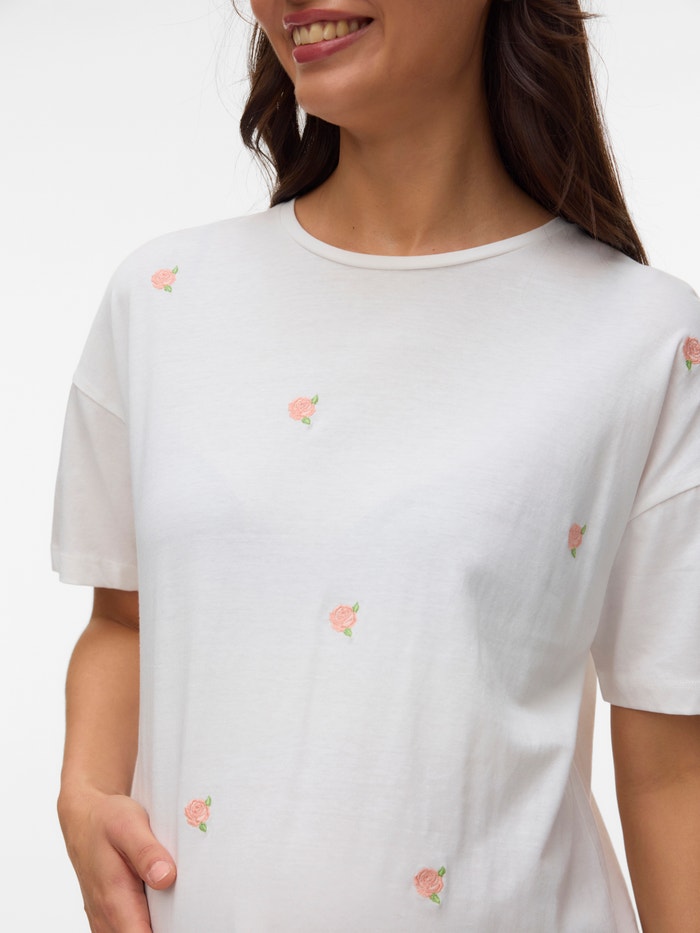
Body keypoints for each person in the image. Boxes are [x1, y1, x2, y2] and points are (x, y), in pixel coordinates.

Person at [52, 0, 700, 930]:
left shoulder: (643, 339)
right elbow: (125, 619)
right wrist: (85, 794)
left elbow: (674, 767)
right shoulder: (162, 301)